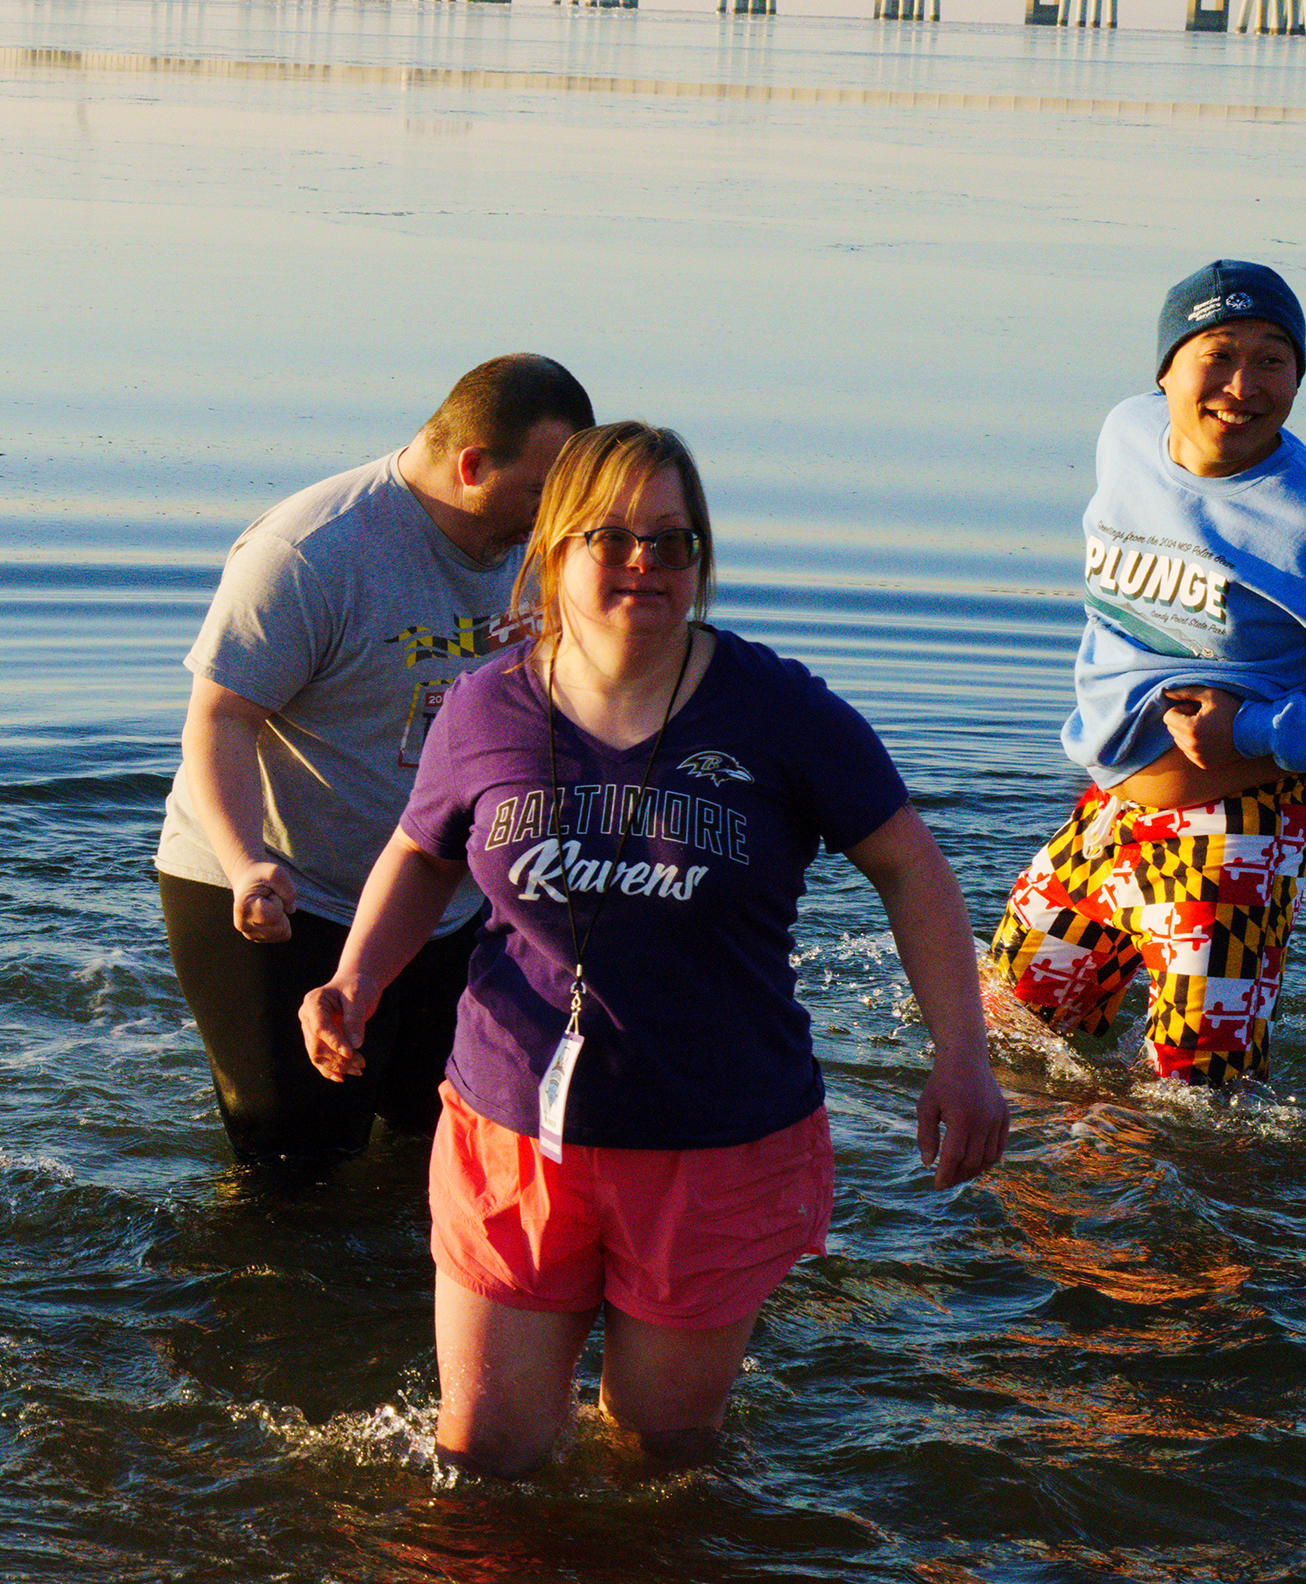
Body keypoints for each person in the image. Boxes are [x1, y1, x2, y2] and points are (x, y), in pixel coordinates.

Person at [300, 422, 1009, 1474]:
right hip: (513, 1130)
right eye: (614, 537)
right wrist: (354, 981)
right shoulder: (485, 704)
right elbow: (421, 850)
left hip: (715, 1141)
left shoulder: (779, 711)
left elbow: (912, 866)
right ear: (551, 553)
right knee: (484, 1459)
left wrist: (964, 1056)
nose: (647, 563)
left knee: (662, 1461)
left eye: (674, 542)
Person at [989, 261, 1306, 1088]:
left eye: (1273, 359)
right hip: (1111, 812)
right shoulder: (1126, 435)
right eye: (1218, 353)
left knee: (1200, 1099)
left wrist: (1251, 731)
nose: (1243, 386)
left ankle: (1208, 1213)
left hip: (1234, 835)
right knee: (1006, 1026)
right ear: (1166, 368)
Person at [157, 354, 595, 1164]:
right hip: (286, 893)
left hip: (442, 895)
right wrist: (246, 862)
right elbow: (219, 720)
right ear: (471, 467)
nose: (557, 519)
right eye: (541, 493)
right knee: (295, 1166)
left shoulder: (551, 550)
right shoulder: (312, 552)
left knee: (449, 1140)